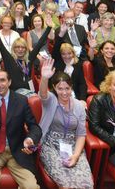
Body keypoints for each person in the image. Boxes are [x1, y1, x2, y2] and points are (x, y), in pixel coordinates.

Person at [0, 67, 42, 189]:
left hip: (16, 149)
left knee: (31, 186)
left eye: (2, 80)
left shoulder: (21, 100)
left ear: (9, 82)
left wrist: (30, 139)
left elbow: (34, 127)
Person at [37, 59, 94, 188]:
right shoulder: (51, 100)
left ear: (71, 87)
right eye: (60, 88)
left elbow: (81, 134)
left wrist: (76, 155)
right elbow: (42, 94)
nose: (64, 92)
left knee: (86, 185)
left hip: (73, 147)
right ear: (54, 89)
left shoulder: (79, 106)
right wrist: (44, 78)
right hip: (51, 146)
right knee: (67, 184)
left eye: (67, 88)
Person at [0, 13, 52, 94]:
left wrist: (49, 27)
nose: (20, 50)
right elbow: (0, 43)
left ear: (26, 49)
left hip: (30, 91)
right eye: (17, 47)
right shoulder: (9, 59)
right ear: (14, 49)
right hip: (15, 93)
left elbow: (39, 43)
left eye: (23, 47)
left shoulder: (29, 58)